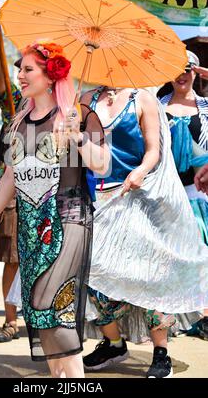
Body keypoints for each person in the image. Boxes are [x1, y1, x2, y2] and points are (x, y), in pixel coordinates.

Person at [0, 40, 109, 378]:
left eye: (27, 69)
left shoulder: (79, 115)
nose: (19, 74)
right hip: (31, 224)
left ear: (50, 76)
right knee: (38, 313)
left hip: (69, 219)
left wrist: (78, 138)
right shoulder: (18, 124)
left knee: (51, 304)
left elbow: (104, 165)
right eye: (19, 68)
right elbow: (10, 177)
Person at [80, 84, 208, 378]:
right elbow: (86, 155)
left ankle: (160, 351)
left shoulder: (142, 99)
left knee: (151, 276)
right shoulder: (86, 100)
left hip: (141, 197)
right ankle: (113, 342)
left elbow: (154, 151)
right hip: (100, 200)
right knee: (92, 274)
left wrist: (140, 171)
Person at [158, 51, 208, 340]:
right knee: (169, 257)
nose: (182, 74)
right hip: (165, 195)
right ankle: (174, 317)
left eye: (188, 68)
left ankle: (202, 314)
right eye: (175, 68)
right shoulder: (156, 106)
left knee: (201, 256)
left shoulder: (206, 107)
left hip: (199, 195)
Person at [0, 4, 23, 343]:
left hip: (51, 191)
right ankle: (11, 321)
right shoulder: (14, 101)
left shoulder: (62, 104)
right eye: (22, 68)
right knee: (12, 256)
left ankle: (45, 321)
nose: (24, 74)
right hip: (13, 189)